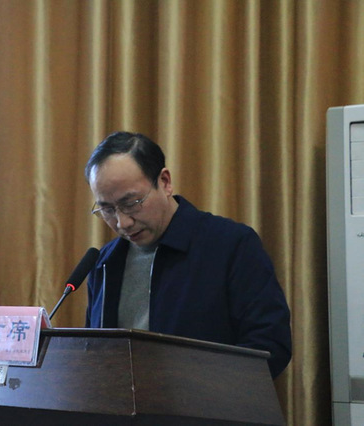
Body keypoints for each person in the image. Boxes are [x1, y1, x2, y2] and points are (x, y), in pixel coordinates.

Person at [84, 131, 292, 378]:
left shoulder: (231, 245)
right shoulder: (106, 262)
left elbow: (270, 345)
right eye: (107, 209)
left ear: (165, 182)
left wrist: (194, 386)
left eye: (131, 203)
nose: (122, 222)